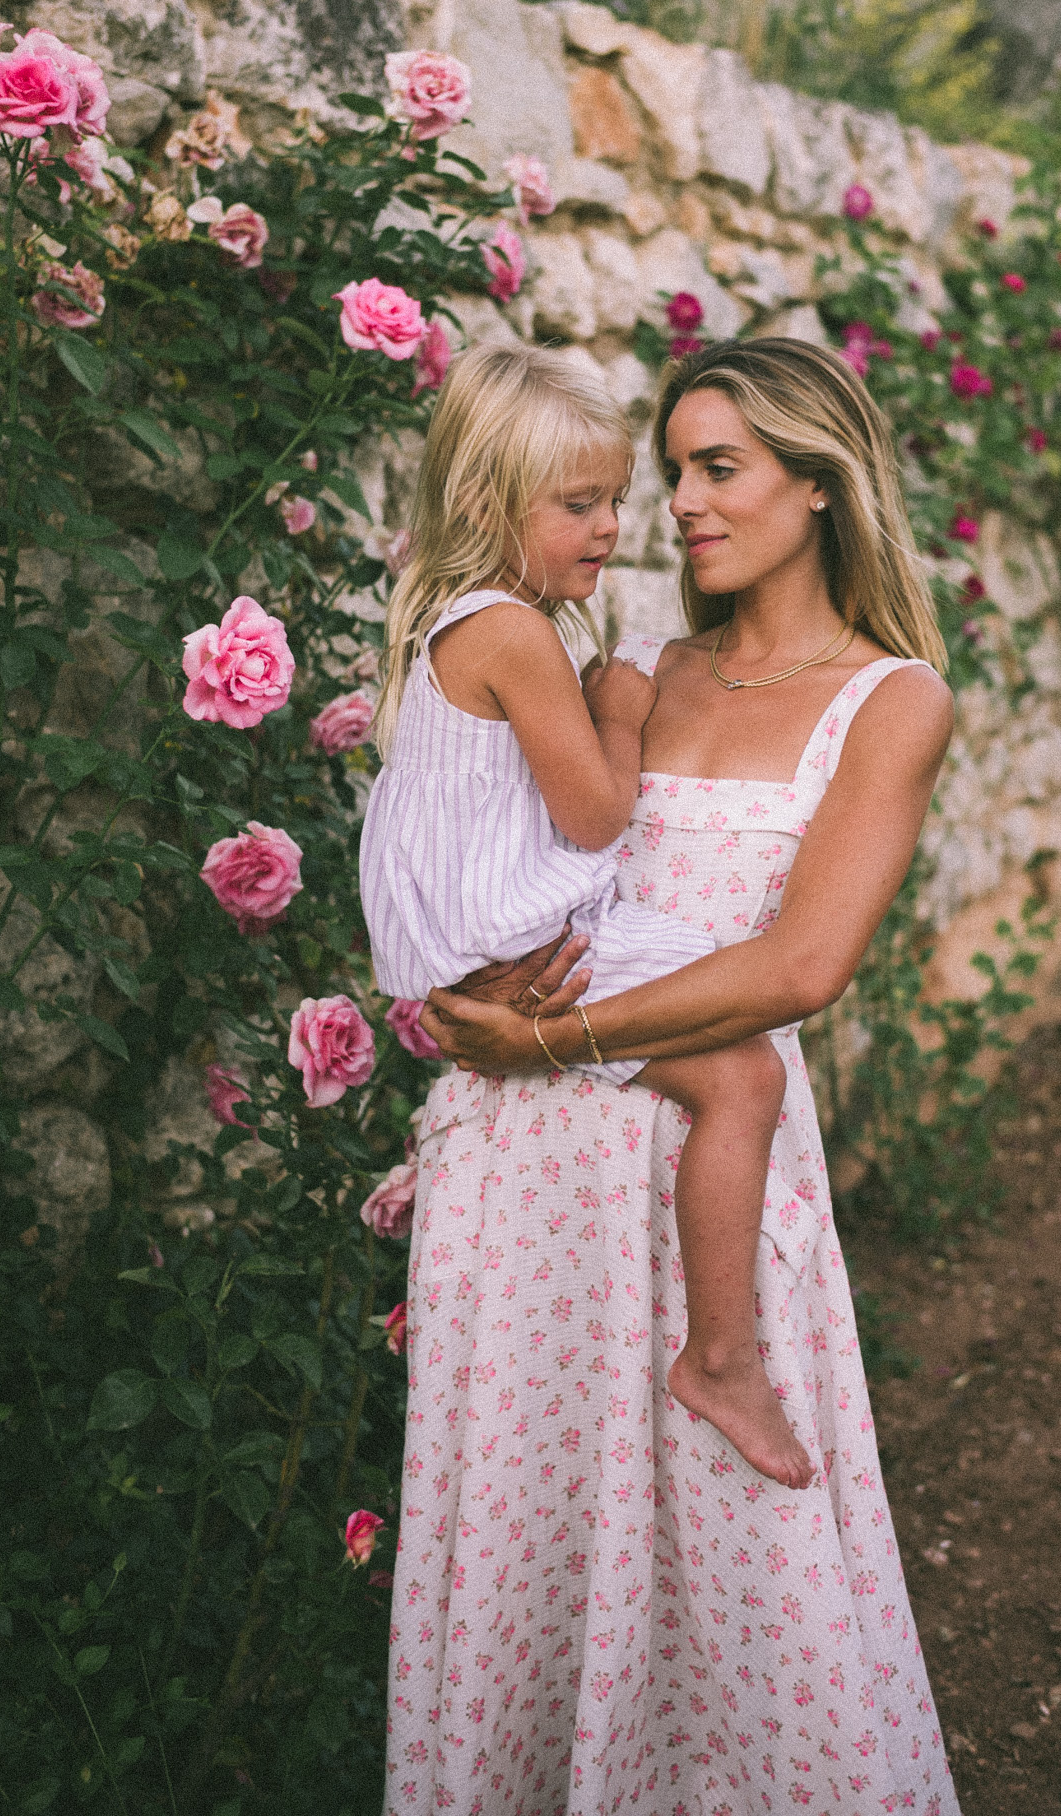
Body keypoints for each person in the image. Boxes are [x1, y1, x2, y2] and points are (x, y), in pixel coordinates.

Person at [387, 336, 960, 1816]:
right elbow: (479, 848)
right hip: (525, 1166)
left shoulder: (888, 701)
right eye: (676, 470)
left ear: (820, 486)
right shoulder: (625, 668)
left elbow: (799, 969)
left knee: (737, 1563)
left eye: (722, 467)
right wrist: (473, 993)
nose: (683, 504)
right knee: (529, 1541)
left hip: (697, 1162)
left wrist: (553, 1033)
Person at [361, 342, 809, 1488]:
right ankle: (720, 1359)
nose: (611, 526)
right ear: (484, 502)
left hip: (501, 955)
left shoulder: (465, 622)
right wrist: (621, 706)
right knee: (745, 1075)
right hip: (522, 960)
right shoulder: (509, 632)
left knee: (729, 1023)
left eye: (616, 498)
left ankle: (718, 1348)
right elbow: (600, 814)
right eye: (578, 504)